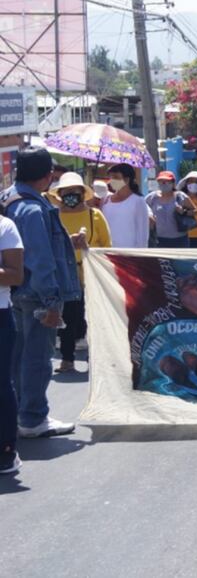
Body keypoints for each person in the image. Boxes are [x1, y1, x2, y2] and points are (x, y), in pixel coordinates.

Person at [0, 147, 79, 438]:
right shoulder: (33, 209)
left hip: (14, 292)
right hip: (35, 293)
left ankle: (19, 413)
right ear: (47, 176)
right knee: (37, 358)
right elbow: (40, 259)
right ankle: (33, 418)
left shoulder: (9, 199)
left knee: (17, 358)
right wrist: (52, 303)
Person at [51, 172, 111, 374]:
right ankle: (67, 358)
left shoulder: (95, 216)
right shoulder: (54, 217)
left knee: (93, 317)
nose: (70, 195)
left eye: (74, 191)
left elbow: (107, 246)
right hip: (65, 275)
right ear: (60, 194)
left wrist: (87, 249)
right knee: (68, 317)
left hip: (91, 273)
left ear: (82, 193)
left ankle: (94, 358)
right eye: (66, 192)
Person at [0, 211, 23, 473]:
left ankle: (6, 449)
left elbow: (15, 275)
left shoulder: (5, 227)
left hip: (1, 315)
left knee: (1, 385)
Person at [101, 163, 150, 248]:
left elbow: (142, 233)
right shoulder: (106, 200)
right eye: (111, 177)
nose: (112, 180)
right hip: (108, 251)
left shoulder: (138, 201)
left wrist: (140, 253)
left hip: (129, 252)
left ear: (127, 179)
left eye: (116, 177)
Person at [146, 170, 196, 248]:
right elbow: (142, 210)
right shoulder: (152, 198)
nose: (164, 184)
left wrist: (184, 212)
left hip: (179, 240)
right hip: (158, 240)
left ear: (173, 183)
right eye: (161, 181)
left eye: (167, 181)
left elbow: (195, 211)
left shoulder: (180, 196)